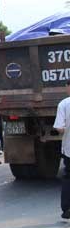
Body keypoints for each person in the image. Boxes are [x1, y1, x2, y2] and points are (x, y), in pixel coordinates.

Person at [51, 80, 70, 220]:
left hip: (69, 148)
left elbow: (59, 128)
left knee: (68, 177)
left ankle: (67, 209)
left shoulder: (64, 104)